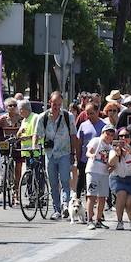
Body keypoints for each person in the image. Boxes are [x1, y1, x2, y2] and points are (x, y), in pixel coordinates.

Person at [35, 92, 77, 220]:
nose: (57, 107)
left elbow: (73, 135)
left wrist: (73, 153)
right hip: (50, 154)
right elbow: (37, 135)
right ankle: (56, 209)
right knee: (53, 182)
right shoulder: (43, 117)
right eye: (54, 104)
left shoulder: (67, 116)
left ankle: (65, 206)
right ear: (50, 102)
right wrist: (34, 147)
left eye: (59, 105)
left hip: (64, 152)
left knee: (65, 180)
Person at [107, 127, 131, 230]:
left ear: (130, 138)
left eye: (126, 136)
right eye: (121, 136)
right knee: (121, 197)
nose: (123, 138)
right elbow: (111, 162)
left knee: (130, 202)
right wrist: (117, 154)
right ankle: (120, 221)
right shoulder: (114, 148)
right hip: (117, 177)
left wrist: (130, 151)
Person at [84, 123, 115, 230]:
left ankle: (98, 220)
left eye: (112, 134)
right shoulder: (96, 140)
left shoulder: (111, 147)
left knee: (102, 197)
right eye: (108, 133)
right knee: (91, 195)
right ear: (103, 133)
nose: (109, 136)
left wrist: (111, 168)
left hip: (104, 173)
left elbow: (112, 163)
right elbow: (88, 152)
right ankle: (89, 220)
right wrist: (91, 155)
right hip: (93, 170)